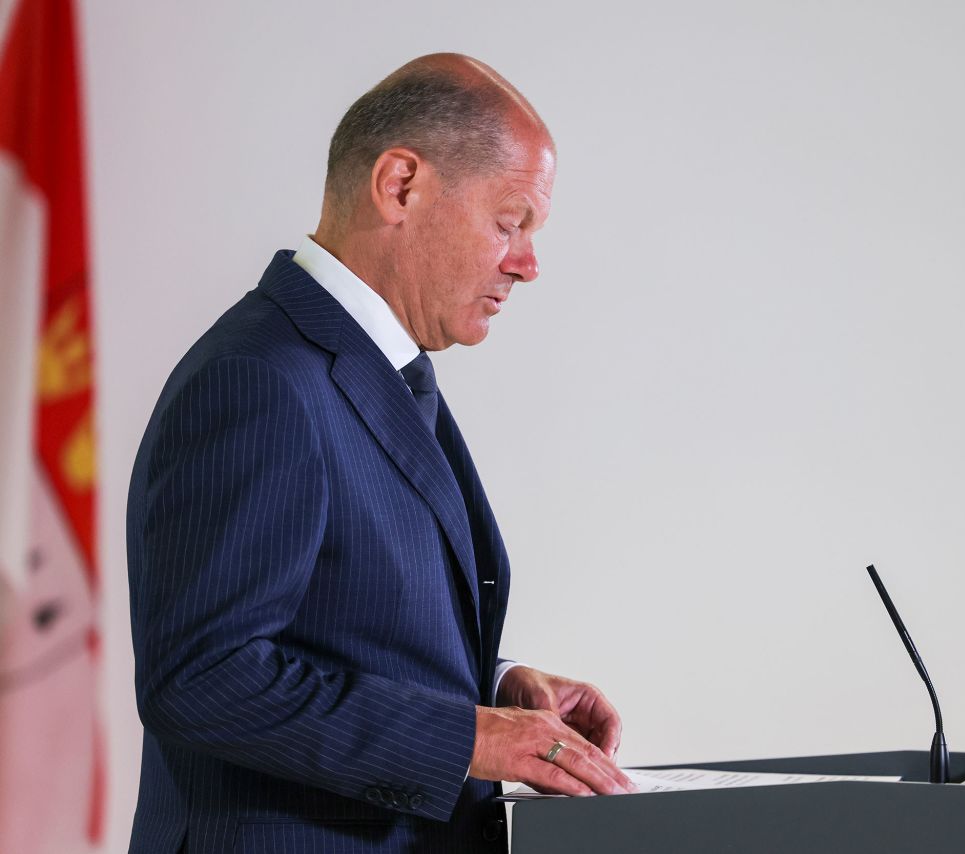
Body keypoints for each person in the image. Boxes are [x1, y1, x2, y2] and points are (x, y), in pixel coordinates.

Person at [125, 53, 634, 854]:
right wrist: (470, 738)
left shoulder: (381, 365)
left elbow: (335, 623)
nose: (528, 265)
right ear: (400, 184)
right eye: (510, 222)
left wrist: (496, 691)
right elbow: (202, 678)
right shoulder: (258, 379)